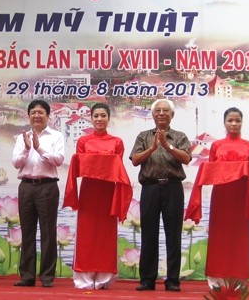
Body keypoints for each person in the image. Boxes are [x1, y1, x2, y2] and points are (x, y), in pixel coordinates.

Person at [185, 107, 249, 290]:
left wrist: (242, 173)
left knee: (240, 237)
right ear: (224, 122)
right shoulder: (217, 146)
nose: (234, 124)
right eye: (230, 120)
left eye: (237, 120)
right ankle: (216, 280)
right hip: (221, 196)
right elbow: (212, 169)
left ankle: (239, 280)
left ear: (242, 122)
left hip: (240, 196)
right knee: (219, 236)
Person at [64, 103, 132, 289]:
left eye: (103, 115)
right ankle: (84, 278)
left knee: (106, 234)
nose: (100, 119)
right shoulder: (83, 141)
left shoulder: (117, 142)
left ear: (109, 118)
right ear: (91, 118)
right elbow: (80, 165)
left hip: (108, 191)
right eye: (96, 116)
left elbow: (116, 168)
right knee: (86, 232)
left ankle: (103, 278)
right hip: (89, 191)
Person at [130, 99, 191, 292]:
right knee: (149, 234)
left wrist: (167, 145)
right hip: (150, 188)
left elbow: (187, 158)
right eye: (158, 111)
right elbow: (135, 160)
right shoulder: (143, 136)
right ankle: (147, 279)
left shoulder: (180, 136)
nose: (162, 113)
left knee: (173, 235)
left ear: (172, 115)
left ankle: (173, 280)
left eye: (166, 111)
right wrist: (153, 147)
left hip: (173, 188)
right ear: (153, 115)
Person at [12, 99, 65, 288]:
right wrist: (27, 148)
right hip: (26, 186)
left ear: (48, 116)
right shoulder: (21, 137)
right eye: (33, 112)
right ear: (28, 115)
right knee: (27, 232)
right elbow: (16, 163)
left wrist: (39, 147)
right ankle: (27, 276)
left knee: (48, 232)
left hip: (47, 186)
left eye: (41, 112)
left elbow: (58, 160)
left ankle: (47, 276)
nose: (36, 115)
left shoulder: (56, 136)